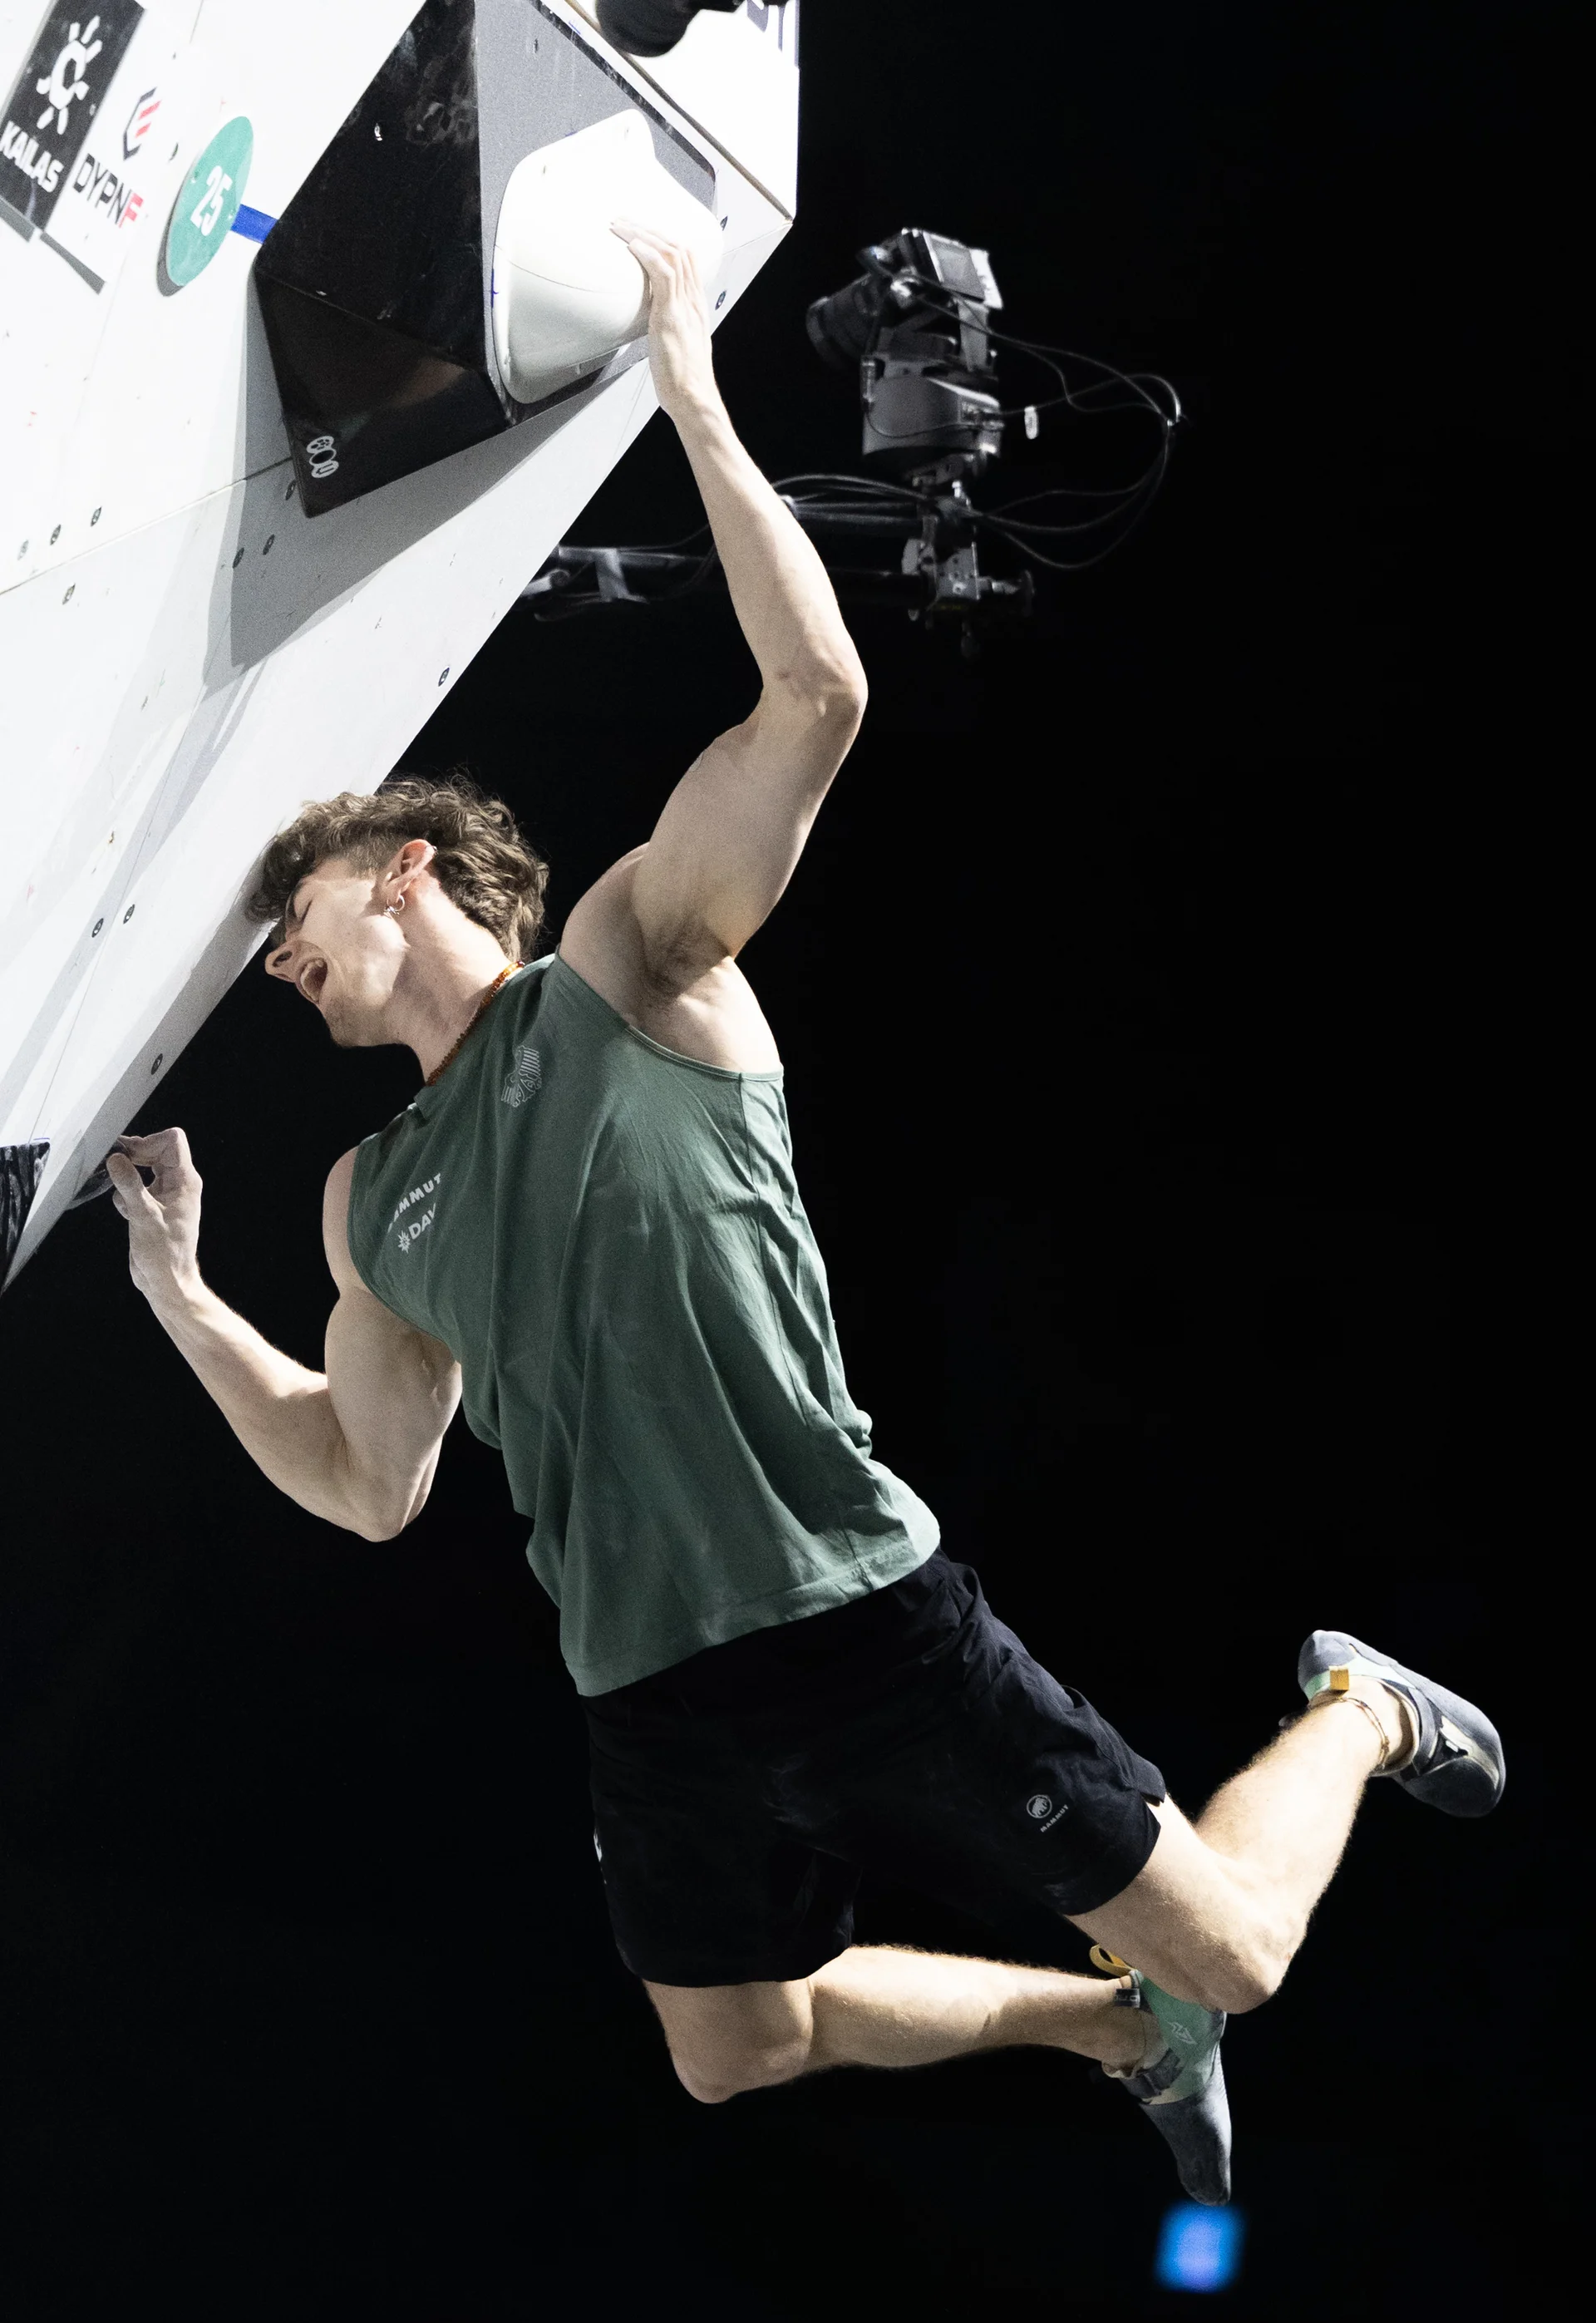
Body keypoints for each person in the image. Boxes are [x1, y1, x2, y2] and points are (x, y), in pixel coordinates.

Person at [106, 225, 1502, 2207]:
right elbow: (364, 1479)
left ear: (405, 865)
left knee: (1247, 1954)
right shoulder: (371, 1198)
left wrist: (692, 388)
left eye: (292, 915)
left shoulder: (629, 971)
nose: (274, 960)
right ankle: (1119, 2031)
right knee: (730, 2051)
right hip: (651, 1694)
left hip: (857, 1619)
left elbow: (817, 691)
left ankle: (1357, 1710)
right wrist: (181, 1289)